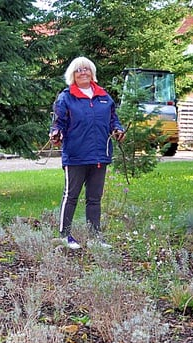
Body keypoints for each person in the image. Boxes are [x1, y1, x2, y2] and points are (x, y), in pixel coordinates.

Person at [49, 56, 125, 249]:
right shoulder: (66, 97)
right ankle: (64, 236)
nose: (83, 72)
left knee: (94, 198)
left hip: (100, 155)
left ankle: (95, 238)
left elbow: (113, 120)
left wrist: (118, 130)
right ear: (72, 75)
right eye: (79, 70)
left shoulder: (104, 97)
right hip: (75, 155)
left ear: (92, 73)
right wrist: (55, 133)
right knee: (71, 196)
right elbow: (58, 123)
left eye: (86, 69)